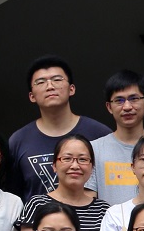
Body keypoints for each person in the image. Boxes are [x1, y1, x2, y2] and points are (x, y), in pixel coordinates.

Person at [7, 55, 109, 199]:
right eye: (40, 82)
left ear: (71, 89)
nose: (50, 86)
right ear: (32, 96)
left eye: (57, 80)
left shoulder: (99, 134)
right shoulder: (18, 140)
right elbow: (13, 196)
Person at [19, 135, 109, 231]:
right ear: (54, 165)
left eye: (82, 159)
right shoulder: (37, 204)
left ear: (92, 167)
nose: (75, 166)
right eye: (67, 159)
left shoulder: (104, 210)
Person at [87, 70, 144, 206]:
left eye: (134, 99)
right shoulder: (93, 149)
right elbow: (89, 201)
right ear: (109, 107)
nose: (127, 107)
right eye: (119, 100)